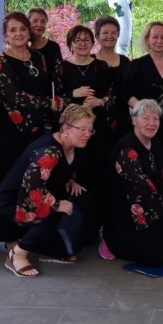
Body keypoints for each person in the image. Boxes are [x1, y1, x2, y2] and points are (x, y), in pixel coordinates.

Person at [0, 105, 97, 277]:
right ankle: (17, 254)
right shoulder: (49, 151)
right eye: (82, 129)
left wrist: (70, 181)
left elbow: (57, 170)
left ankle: (51, 249)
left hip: (41, 191)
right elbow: (32, 185)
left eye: (90, 130)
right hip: (16, 199)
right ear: (66, 129)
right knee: (49, 213)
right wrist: (56, 204)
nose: (87, 134)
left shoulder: (72, 145)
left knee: (84, 200)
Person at [101, 100, 163, 266]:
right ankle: (108, 237)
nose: (151, 123)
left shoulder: (155, 142)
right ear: (134, 120)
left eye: (155, 119)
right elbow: (139, 186)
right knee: (154, 257)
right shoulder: (127, 149)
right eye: (146, 118)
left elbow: (160, 171)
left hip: (153, 198)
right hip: (129, 207)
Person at [0, 11, 62, 248]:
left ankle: (32, 235)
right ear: (5, 35)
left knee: (34, 181)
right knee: (11, 182)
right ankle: (10, 236)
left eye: (22, 28)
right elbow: (13, 97)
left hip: (38, 129)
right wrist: (48, 103)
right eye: (12, 30)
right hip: (11, 130)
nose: (18, 34)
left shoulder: (38, 57)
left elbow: (48, 87)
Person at [57, 24, 114, 234]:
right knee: (75, 175)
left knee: (99, 175)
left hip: (98, 131)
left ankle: (99, 227)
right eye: (78, 40)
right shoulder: (62, 67)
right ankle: (76, 229)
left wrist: (100, 101)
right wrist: (73, 94)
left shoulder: (102, 66)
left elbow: (113, 96)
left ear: (93, 43)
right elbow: (54, 100)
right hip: (72, 134)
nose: (82, 44)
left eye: (87, 40)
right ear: (70, 44)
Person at [123, 21, 163, 144]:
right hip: (146, 123)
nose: (159, 41)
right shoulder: (136, 65)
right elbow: (126, 94)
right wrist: (146, 111)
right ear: (147, 39)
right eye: (155, 37)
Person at [93, 15, 132, 137]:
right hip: (96, 117)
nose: (110, 36)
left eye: (114, 33)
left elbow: (130, 89)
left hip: (122, 116)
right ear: (97, 36)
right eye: (105, 33)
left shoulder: (125, 61)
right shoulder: (90, 61)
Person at [28, 7, 64, 74]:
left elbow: (60, 72)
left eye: (43, 22)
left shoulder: (53, 47)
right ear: (27, 23)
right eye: (35, 21)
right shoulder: (23, 47)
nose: (39, 25)